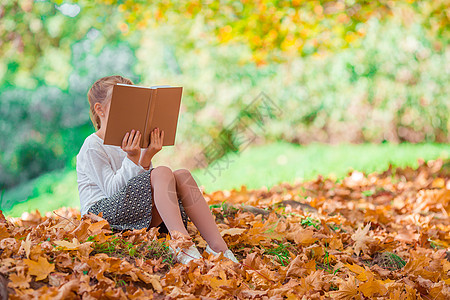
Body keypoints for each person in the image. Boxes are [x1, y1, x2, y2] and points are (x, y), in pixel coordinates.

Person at [76, 75, 238, 264]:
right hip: (99, 217)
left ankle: (218, 247)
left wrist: (146, 156)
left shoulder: (130, 139)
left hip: (132, 211)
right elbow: (112, 192)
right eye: (122, 102)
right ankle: (182, 245)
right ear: (100, 109)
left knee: (182, 175)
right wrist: (134, 158)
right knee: (161, 172)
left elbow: (143, 186)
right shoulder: (93, 145)